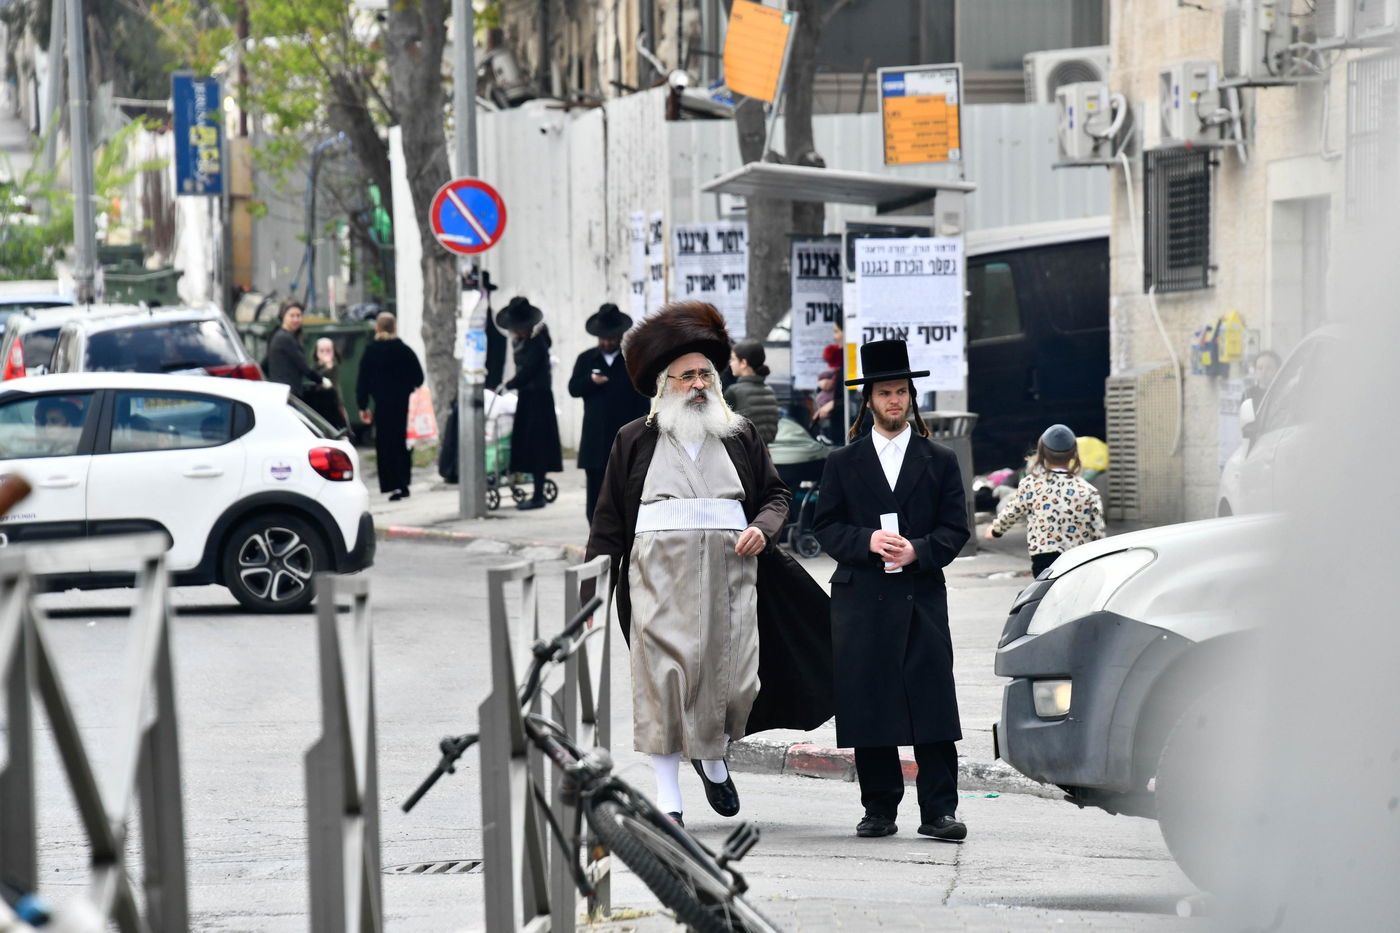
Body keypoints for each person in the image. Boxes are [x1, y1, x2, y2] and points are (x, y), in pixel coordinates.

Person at [586, 300, 833, 825]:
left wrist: (760, 530)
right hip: (657, 582)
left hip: (732, 579)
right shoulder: (633, 440)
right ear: (664, 384)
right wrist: (589, 593)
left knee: (730, 683)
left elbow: (775, 496)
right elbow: (609, 522)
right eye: (687, 376)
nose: (698, 384)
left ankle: (715, 758)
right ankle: (669, 802)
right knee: (662, 684)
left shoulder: (740, 434)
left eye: (706, 374)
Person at [812, 339, 971, 843]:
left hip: (920, 595)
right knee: (870, 701)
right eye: (885, 393)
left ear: (911, 397)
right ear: (870, 400)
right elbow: (825, 525)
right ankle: (879, 808)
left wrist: (918, 551)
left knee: (933, 703)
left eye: (901, 391)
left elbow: (956, 528)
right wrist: (867, 541)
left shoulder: (939, 458)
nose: (894, 401)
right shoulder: (843, 460)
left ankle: (939, 810)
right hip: (861, 598)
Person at [985, 424, 1105, 577]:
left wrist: (995, 530)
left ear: (1041, 453)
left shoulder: (1031, 484)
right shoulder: (1088, 490)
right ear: (1074, 454)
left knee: (1048, 598)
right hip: (1078, 559)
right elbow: (1098, 531)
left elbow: (1012, 512)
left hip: (1044, 558)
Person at [568, 303, 647, 522]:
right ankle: (595, 529)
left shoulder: (631, 361)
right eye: (603, 338)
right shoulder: (586, 359)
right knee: (595, 487)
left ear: (620, 337)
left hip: (623, 438)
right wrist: (590, 382)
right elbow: (573, 388)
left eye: (611, 338)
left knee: (624, 487)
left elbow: (642, 400)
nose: (607, 342)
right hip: (594, 438)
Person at [496, 297, 563, 511]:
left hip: (538, 399)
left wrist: (510, 383)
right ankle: (537, 491)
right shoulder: (524, 341)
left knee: (537, 447)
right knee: (530, 446)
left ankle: (538, 495)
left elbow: (528, 371)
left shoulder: (537, 343)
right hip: (529, 397)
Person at [357, 312, 424, 501]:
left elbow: (362, 382)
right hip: (403, 406)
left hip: (382, 406)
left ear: (377, 328)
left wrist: (363, 405)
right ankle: (403, 483)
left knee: (385, 445)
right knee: (402, 444)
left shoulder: (371, 351)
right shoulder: (404, 350)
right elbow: (418, 377)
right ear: (395, 328)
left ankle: (390, 484)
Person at [265, 300, 327, 397]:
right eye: (292, 316)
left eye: (299, 316)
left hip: (282, 392)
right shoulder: (285, 338)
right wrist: (322, 380)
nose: (296, 319)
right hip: (288, 394)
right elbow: (303, 367)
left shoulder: (279, 335)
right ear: (283, 317)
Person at [723, 339, 780, 444]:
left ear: (743, 363)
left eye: (733, 359)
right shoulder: (769, 391)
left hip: (743, 456)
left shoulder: (734, 391)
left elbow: (722, 427)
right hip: (765, 456)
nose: (730, 364)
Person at [304, 337, 348, 430]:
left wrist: (328, 368)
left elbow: (330, 382)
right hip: (318, 402)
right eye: (321, 351)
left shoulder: (334, 365)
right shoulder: (315, 366)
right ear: (316, 352)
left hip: (333, 402)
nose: (325, 353)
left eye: (328, 351)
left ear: (333, 352)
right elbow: (316, 378)